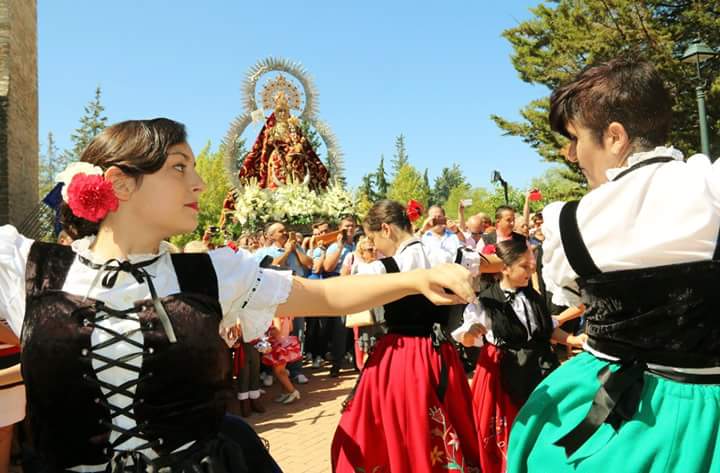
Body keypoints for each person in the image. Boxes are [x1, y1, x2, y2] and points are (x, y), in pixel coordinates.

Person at [0, 118, 476, 472]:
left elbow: (323, 296)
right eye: (178, 167)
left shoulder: (213, 272)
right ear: (120, 183)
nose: (199, 182)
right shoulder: (25, 265)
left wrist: (414, 280)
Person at [507, 58, 720, 472]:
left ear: (615, 136)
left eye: (575, 139)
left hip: (612, 409)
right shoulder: (712, 187)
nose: (572, 154)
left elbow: (574, 296)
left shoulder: (569, 222)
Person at [332, 200, 492, 473]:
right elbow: (489, 263)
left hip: (401, 355)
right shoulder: (445, 254)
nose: (375, 247)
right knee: (446, 423)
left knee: (400, 426)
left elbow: (342, 296)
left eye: (373, 239)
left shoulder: (384, 268)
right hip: (441, 353)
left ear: (386, 229)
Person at [452, 234, 585, 473]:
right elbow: (468, 339)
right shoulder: (486, 302)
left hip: (539, 367)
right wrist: (472, 331)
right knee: (511, 426)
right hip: (504, 371)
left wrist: (573, 339)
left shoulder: (533, 296)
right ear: (504, 268)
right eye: (524, 266)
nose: (530, 270)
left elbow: (545, 328)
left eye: (531, 265)